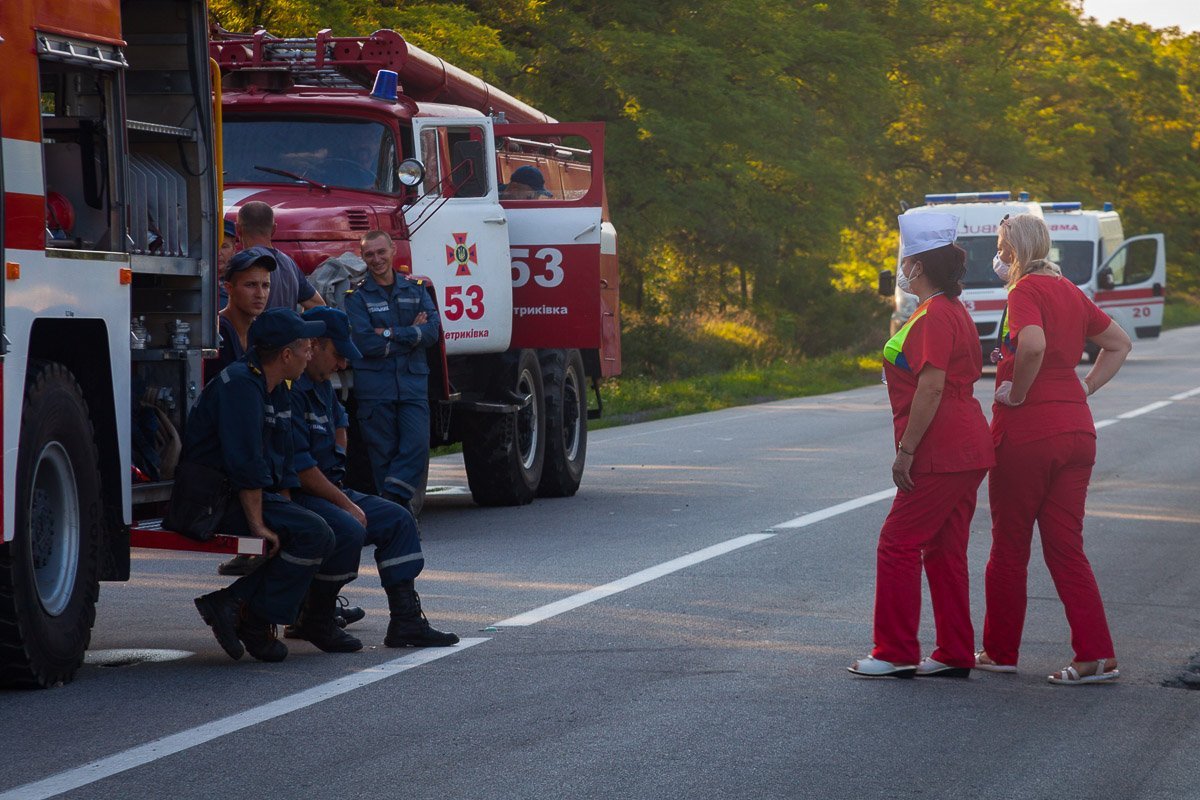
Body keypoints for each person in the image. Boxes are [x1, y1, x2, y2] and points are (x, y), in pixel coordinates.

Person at [977, 213, 1131, 685]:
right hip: (1077, 431)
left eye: (1002, 247)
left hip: (1029, 434)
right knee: (1067, 549)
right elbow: (1118, 343)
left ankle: (1001, 649)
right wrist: (1084, 387)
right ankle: (1096, 656)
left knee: (1009, 546)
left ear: (1016, 250)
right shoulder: (1070, 291)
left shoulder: (1024, 291)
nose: (998, 257)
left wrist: (1018, 394)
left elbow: (1034, 344)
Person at [849, 212, 995, 679]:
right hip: (967, 444)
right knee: (945, 549)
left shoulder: (934, 315)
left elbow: (931, 389)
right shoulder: (951, 310)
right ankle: (953, 650)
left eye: (907, 259)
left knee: (898, 543)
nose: (903, 267)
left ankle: (894, 651)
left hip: (940, 447)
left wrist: (907, 450)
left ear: (920, 266)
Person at [285, 307, 459, 649]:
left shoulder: (321, 385)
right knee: (348, 527)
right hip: (301, 495)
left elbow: (340, 424)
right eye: (337, 355)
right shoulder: (292, 388)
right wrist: (344, 501)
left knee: (398, 518)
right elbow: (302, 471)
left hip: (329, 489)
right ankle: (315, 618)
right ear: (315, 345)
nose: (343, 365)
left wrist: (338, 488)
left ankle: (406, 620)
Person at [184, 309, 335, 663]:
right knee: (316, 534)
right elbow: (245, 463)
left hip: (238, 493)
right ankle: (245, 613)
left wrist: (286, 509)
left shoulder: (274, 385)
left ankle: (238, 607)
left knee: (311, 529)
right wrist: (258, 526)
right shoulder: (241, 386)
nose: (310, 354)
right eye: (306, 348)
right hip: (210, 501)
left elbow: (279, 457)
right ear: (286, 354)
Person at [344, 230, 440, 510]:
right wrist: (411, 335)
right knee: (382, 456)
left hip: (412, 386)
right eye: (369, 254)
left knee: (417, 447)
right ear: (362, 257)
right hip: (376, 390)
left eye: (380, 252)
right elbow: (365, 343)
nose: (376, 259)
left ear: (392, 251)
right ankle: (401, 519)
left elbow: (432, 332)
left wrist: (389, 333)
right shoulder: (356, 297)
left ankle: (390, 505)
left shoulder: (416, 288)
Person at [235, 200, 325, 311]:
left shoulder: (244, 261)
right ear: (274, 229)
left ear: (238, 229)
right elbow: (318, 304)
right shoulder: (290, 264)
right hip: (288, 328)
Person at [208, 246, 275, 381]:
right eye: (250, 285)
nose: (260, 294)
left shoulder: (259, 332)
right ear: (229, 288)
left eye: (265, 285)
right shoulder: (218, 333)